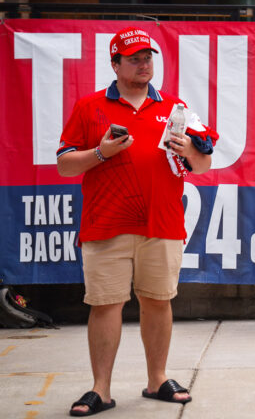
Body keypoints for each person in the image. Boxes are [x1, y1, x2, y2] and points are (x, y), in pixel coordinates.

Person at [58, 27, 217, 416]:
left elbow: (203, 163)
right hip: (106, 222)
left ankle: (157, 379)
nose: (144, 64)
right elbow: (64, 164)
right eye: (134, 58)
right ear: (115, 64)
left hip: (161, 221)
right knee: (105, 305)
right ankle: (101, 390)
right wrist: (101, 152)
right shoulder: (89, 107)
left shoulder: (176, 107)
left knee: (158, 302)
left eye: (148, 57)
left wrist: (190, 151)